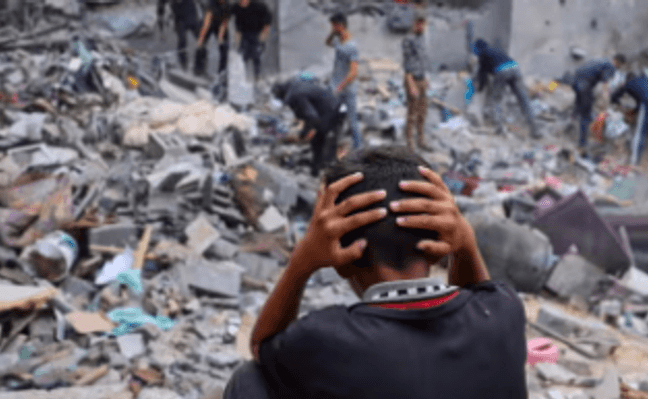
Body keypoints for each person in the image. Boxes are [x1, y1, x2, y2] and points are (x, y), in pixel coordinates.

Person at [222, 145, 528, 399]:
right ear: (438, 246)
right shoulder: (505, 311)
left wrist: (303, 260)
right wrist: (465, 244)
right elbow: (476, 297)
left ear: (341, 259)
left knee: (249, 381)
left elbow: (262, 347)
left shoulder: (325, 339)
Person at [272, 79, 343, 176]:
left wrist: (303, 134)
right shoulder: (295, 86)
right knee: (319, 139)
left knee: (321, 139)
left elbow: (311, 116)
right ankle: (317, 169)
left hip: (331, 110)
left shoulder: (295, 95)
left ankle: (325, 171)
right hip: (332, 106)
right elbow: (307, 114)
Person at [473, 39, 540, 138]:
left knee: (496, 99)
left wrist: (479, 89)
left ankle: (499, 128)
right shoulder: (495, 50)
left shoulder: (483, 56)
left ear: (478, 48)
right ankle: (536, 130)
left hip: (502, 71)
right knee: (524, 99)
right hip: (515, 68)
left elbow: (482, 76)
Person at [611, 71, 648, 166]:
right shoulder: (645, 79)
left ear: (627, 79)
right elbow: (640, 100)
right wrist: (635, 109)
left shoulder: (629, 83)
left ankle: (634, 161)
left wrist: (615, 102)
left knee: (640, 131)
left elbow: (615, 95)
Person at [571, 55, 625, 149]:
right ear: (618, 62)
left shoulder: (602, 60)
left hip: (575, 79)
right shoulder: (611, 67)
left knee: (580, 103)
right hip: (584, 83)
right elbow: (605, 85)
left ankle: (571, 121)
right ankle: (582, 143)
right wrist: (606, 102)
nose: (620, 67)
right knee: (586, 114)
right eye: (621, 65)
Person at [327, 13, 362, 149]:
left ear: (341, 25)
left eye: (334, 26)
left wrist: (340, 87)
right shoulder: (337, 41)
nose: (332, 28)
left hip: (347, 89)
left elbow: (353, 73)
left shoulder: (352, 46)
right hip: (335, 86)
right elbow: (327, 42)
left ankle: (359, 148)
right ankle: (334, 146)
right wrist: (332, 32)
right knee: (333, 117)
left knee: (352, 120)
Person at [402, 12, 431, 151]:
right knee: (412, 114)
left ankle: (421, 140)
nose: (421, 26)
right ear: (414, 24)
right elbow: (407, 64)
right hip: (412, 80)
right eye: (418, 23)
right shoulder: (408, 40)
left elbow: (422, 61)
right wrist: (411, 85)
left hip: (422, 79)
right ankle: (410, 143)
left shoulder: (422, 39)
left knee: (422, 113)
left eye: (423, 23)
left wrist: (426, 79)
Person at [231, 0, 272, 80]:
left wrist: (265, 32)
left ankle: (258, 76)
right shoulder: (236, 7)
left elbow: (268, 18)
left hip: (257, 33)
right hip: (243, 34)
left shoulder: (259, 6)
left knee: (256, 55)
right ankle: (241, 77)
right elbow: (227, 14)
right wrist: (236, 34)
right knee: (243, 56)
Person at [157, 0, 202, 72]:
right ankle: (184, 65)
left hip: (191, 14)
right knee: (182, 41)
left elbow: (202, 3)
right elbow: (160, 11)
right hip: (179, 19)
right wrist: (162, 31)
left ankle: (200, 66)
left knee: (202, 40)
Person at [195, 0, 233, 77]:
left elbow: (224, 22)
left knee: (224, 46)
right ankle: (198, 70)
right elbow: (206, 23)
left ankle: (221, 73)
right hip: (209, 23)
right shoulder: (211, 3)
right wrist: (201, 39)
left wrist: (220, 36)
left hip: (220, 24)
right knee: (201, 44)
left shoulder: (228, 6)